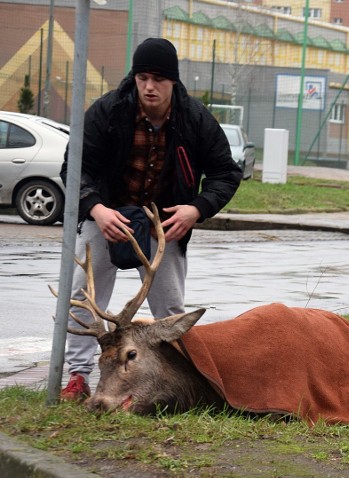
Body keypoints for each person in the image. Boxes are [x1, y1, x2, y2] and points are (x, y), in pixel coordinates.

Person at [59, 38, 242, 401]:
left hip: (165, 224)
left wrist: (197, 209)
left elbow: (226, 172)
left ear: (173, 81)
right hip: (107, 215)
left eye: (158, 78)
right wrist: (95, 208)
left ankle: (179, 379)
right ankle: (77, 378)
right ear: (135, 77)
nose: (149, 87)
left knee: (171, 312)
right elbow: (75, 167)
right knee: (83, 297)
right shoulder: (108, 111)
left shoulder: (195, 118)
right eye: (142, 77)